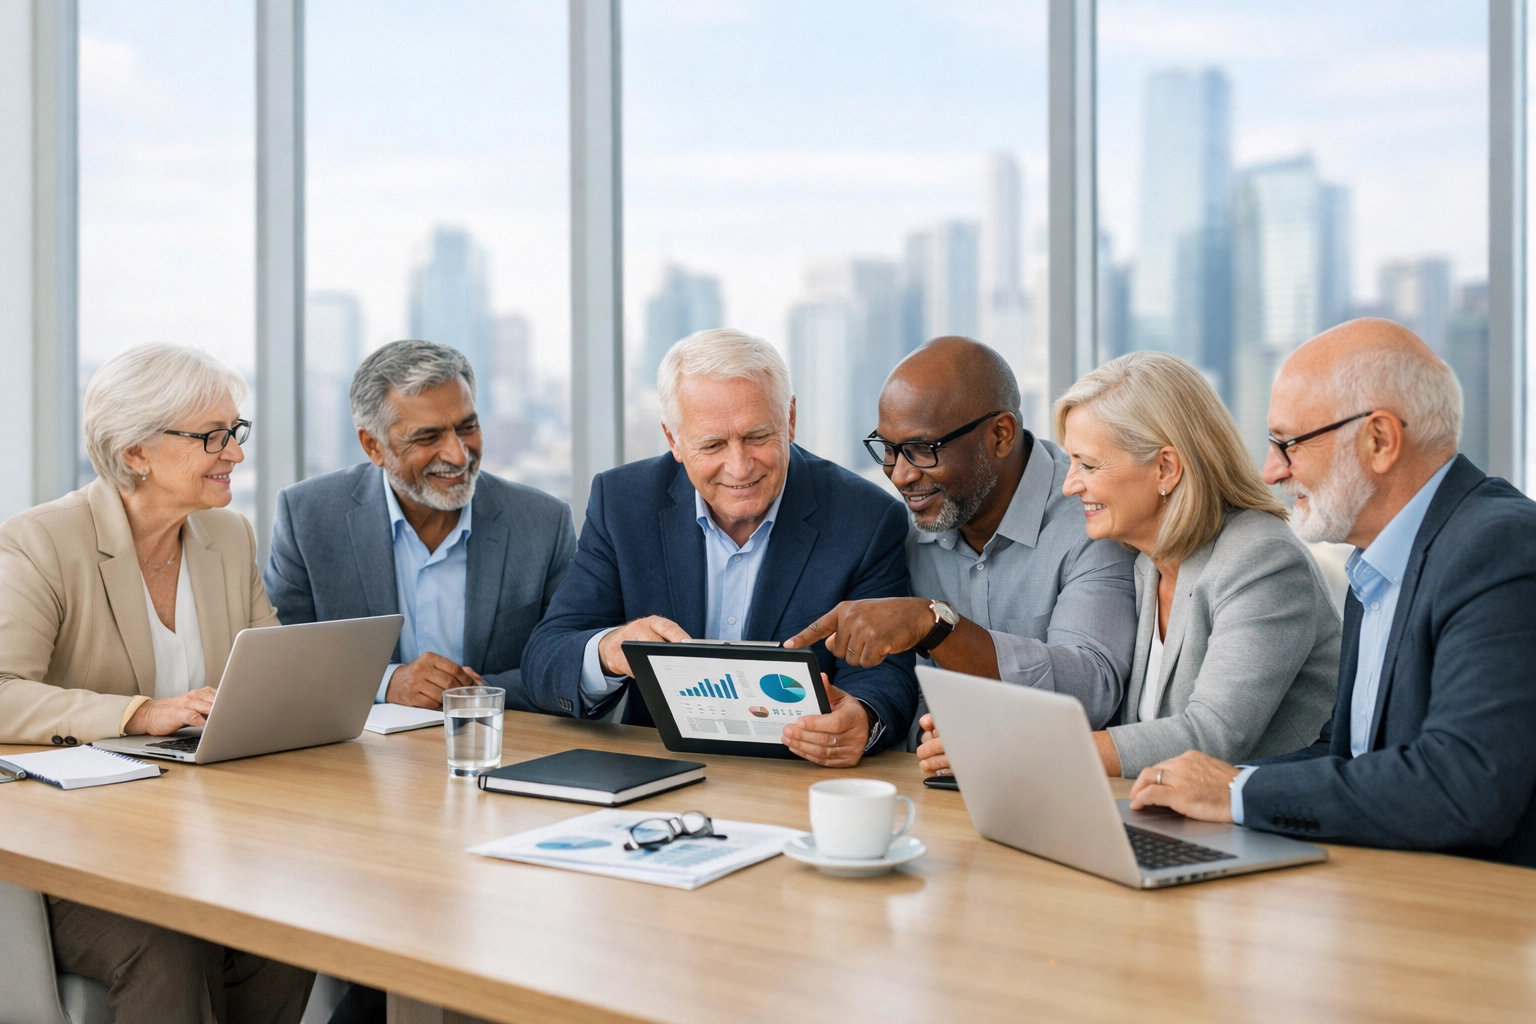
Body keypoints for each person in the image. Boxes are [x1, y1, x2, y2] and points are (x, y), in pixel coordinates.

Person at [1130, 318, 1536, 868]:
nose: (1272, 471)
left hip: (1479, 911)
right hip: (1382, 885)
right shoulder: (1374, 565)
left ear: (1380, 440)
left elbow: (1465, 781)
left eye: (1289, 443)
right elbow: (1345, 753)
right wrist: (1192, 789)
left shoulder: (1498, 547)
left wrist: (1235, 794)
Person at [0, 345, 313, 1023]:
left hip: (200, 835)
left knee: (289, 929)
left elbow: (269, 669)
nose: (233, 452)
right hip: (75, 852)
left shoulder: (227, 536)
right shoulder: (41, 542)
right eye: (211, 436)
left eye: (237, 431)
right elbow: (2, 690)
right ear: (135, 450)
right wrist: (141, 713)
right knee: (170, 945)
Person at [522, 328, 917, 766]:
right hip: (661, 773)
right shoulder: (622, 503)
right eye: (712, 444)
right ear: (673, 440)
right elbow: (545, 657)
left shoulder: (865, 517)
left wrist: (861, 716)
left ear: (789, 420)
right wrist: (610, 649)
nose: (739, 466)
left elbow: (884, 674)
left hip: (798, 778)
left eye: (757, 437)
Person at [783, 336, 1137, 768]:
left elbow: (1092, 693)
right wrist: (865, 717)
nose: (901, 475)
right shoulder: (908, 530)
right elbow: (904, 693)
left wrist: (934, 626)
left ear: (1000, 435)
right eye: (889, 450)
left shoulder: (1091, 519)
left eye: (922, 450)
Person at [1051, 350, 1338, 777]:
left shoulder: (1262, 560)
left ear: (1166, 468)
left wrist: (1033, 748)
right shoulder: (1146, 562)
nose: (1070, 485)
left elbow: (1211, 737)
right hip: (1177, 820)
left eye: (1087, 464)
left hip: (1273, 828)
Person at [264, 339, 576, 713]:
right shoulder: (307, 517)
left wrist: (467, 694)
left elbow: (568, 661)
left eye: (468, 427)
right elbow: (283, 659)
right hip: (357, 761)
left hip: (497, 749)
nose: (458, 454)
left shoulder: (543, 522)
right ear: (373, 446)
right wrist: (387, 682)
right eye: (428, 437)